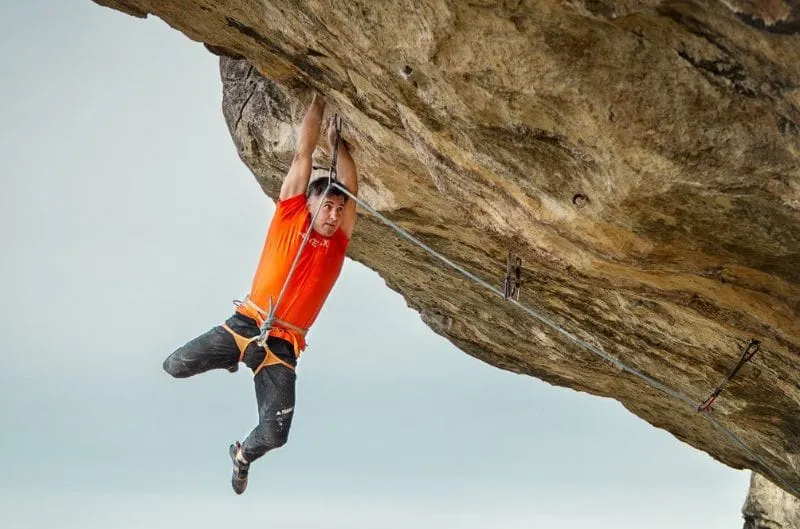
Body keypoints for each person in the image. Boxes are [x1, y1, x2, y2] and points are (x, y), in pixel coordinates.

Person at [162, 92, 358, 494]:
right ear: (310, 203)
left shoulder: (339, 241)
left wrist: (343, 147)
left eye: (339, 210)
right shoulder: (289, 215)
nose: (334, 215)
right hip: (247, 325)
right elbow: (303, 155)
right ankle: (231, 358)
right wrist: (320, 102)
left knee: (275, 433)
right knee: (175, 366)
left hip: (282, 345)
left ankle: (241, 456)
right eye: (327, 207)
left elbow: (350, 186)